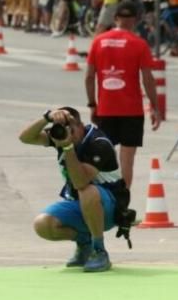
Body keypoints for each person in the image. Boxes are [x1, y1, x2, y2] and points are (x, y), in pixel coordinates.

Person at [19, 106, 129, 273]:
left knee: (87, 190)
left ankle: (99, 250)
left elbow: (80, 182)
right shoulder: (60, 135)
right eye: (64, 129)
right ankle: (84, 242)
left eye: (71, 128)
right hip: (81, 204)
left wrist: (68, 148)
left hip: (110, 208)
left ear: (81, 126)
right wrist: (46, 118)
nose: (68, 133)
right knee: (43, 225)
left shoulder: (99, 144)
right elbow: (25, 138)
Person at [85, 0, 161, 190]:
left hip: (106, 109)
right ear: (134, 20)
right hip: (132, 110)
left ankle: (103, 200)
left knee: (103, 158)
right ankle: (123, 204)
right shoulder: (139, 44)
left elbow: (88, 77)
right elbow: (148, 79)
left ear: (115, 18)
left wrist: (92, 104)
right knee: (127, 159)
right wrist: (155, 107)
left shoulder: (98, 41)